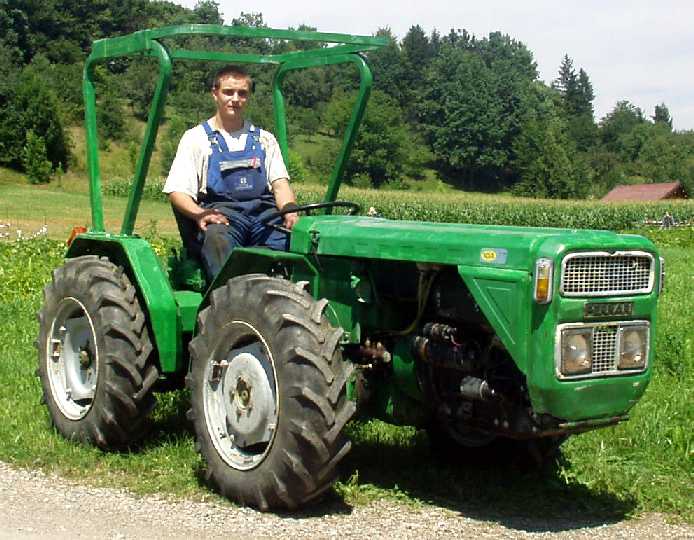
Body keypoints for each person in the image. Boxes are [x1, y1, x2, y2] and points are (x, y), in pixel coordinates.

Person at [163, 65, 299, 280]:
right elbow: (178, 192)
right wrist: (200, 214)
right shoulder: (196, 139)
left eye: (242, 93)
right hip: (224, 216)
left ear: (248, 97)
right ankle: (226, 293)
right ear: (215, 93)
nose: (235, 99)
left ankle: (289, 288)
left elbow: (280, 185)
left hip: (264, 216)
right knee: (217, 238)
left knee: (297, 241)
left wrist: (290, 211)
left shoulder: (264, 139)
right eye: (228, 92)